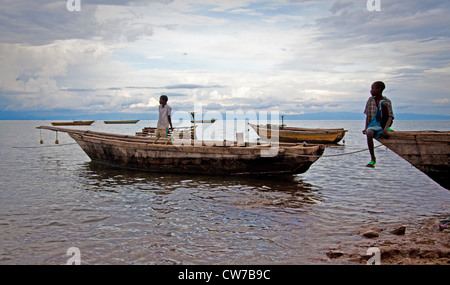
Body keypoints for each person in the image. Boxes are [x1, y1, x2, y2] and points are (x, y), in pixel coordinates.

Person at [362, 81, 394, 167]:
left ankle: (386, 129)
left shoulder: (386, 101)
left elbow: (390, 116)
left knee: (382, 104)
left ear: (379, 89)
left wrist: (385, 129)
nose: (371, 91)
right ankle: (373, 158)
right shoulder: (370, 100)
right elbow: (368, 115)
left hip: (384, 124)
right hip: (373, 125)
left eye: (373, 89)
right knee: (369, 133)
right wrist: (366, 128)